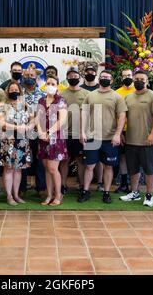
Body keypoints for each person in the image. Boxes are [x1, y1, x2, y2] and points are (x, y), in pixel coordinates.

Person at [79, 70, 127, 204]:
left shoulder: (117, 97)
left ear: (111, 81)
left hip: (109, 138)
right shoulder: (90, 95)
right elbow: (84, 114)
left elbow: (122, 116)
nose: (104, 79)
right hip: (92, 137)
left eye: (107, 77)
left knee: (108, 166)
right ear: (99, 79)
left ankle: (106, 192)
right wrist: (82, 132)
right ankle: (85, 191)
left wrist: (118, 134)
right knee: (89, 166)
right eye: (102, 77)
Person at [119, 70, 153, 207]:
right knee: (133, 169)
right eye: (137, 78)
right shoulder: (128, 97)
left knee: (150, 169)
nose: (139, 81)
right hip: (131, 140)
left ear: (147, 81)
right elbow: (122, 116)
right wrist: (120, 132)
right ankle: (135, 192)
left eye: (142, 79)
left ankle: (149, 195)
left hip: (148, 141)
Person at [0, 81, 34, 205]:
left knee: (18, 169)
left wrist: (29, 126)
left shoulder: (25, 105)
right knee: (9, 168)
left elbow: (33, 119)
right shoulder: (1, 105)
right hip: (8, 142)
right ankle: (9, 196)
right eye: (11, 90)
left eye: (16, 89)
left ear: (20, 91)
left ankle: (16, 195)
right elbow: (0, 123)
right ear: (7, 92)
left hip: (22, 141)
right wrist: (18, 128)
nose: (14, 91)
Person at [37, 76, 68, 206]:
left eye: (53, 83)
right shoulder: (41, 100)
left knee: (53, 168)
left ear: (57, 85)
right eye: (48, 83)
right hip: (43, 138)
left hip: (56, 138)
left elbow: (62, 120)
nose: (50, 85)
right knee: (46, 168)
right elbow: (38, 118)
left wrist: (49, 132)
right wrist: (40, 132)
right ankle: (49, 194)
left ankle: (58, 194)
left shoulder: (61, 101)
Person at [60, 66, 89, 194]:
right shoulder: (61, 94)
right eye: (70, 76)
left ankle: (82, 186)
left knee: (80, 161)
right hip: (64, 133)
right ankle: (62, 185)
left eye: (75, 75)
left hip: (80, 134)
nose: (73, 78)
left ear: (80, 77)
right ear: (67, 77)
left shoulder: (86, 94)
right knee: (64, 160)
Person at [19, 64, 46, 196]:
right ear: (22, 77)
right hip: (22, 133)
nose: (29, 78)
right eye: (26, 76)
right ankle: (22, 188)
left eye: (31, 76)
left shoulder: (43, 95)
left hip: (39, 132)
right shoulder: (18, 94)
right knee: (23, 160)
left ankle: (40, 188)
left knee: (40, 160)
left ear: (37, 77)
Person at [80, 65, 103, 191]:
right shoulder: (81, 89)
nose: (90, 73)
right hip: (87, 129)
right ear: (84, 74)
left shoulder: (100, 88)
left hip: (100, 128)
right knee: (88, 160)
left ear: (96, 73)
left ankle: (100, 182)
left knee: (100, 160)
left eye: (92, 71)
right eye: (87, 71)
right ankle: (84, 185)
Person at [114, 68, 135, 194]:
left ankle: (134, 186)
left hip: (135, 131)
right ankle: (123, 184)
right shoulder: (117, 93)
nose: (126, 77)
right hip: (121, 131)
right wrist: (119, 132)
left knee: (133, 159)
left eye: (129, 75)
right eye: (124, 76)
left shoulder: (138, 91)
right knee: (122, 158)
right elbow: (115, 115)